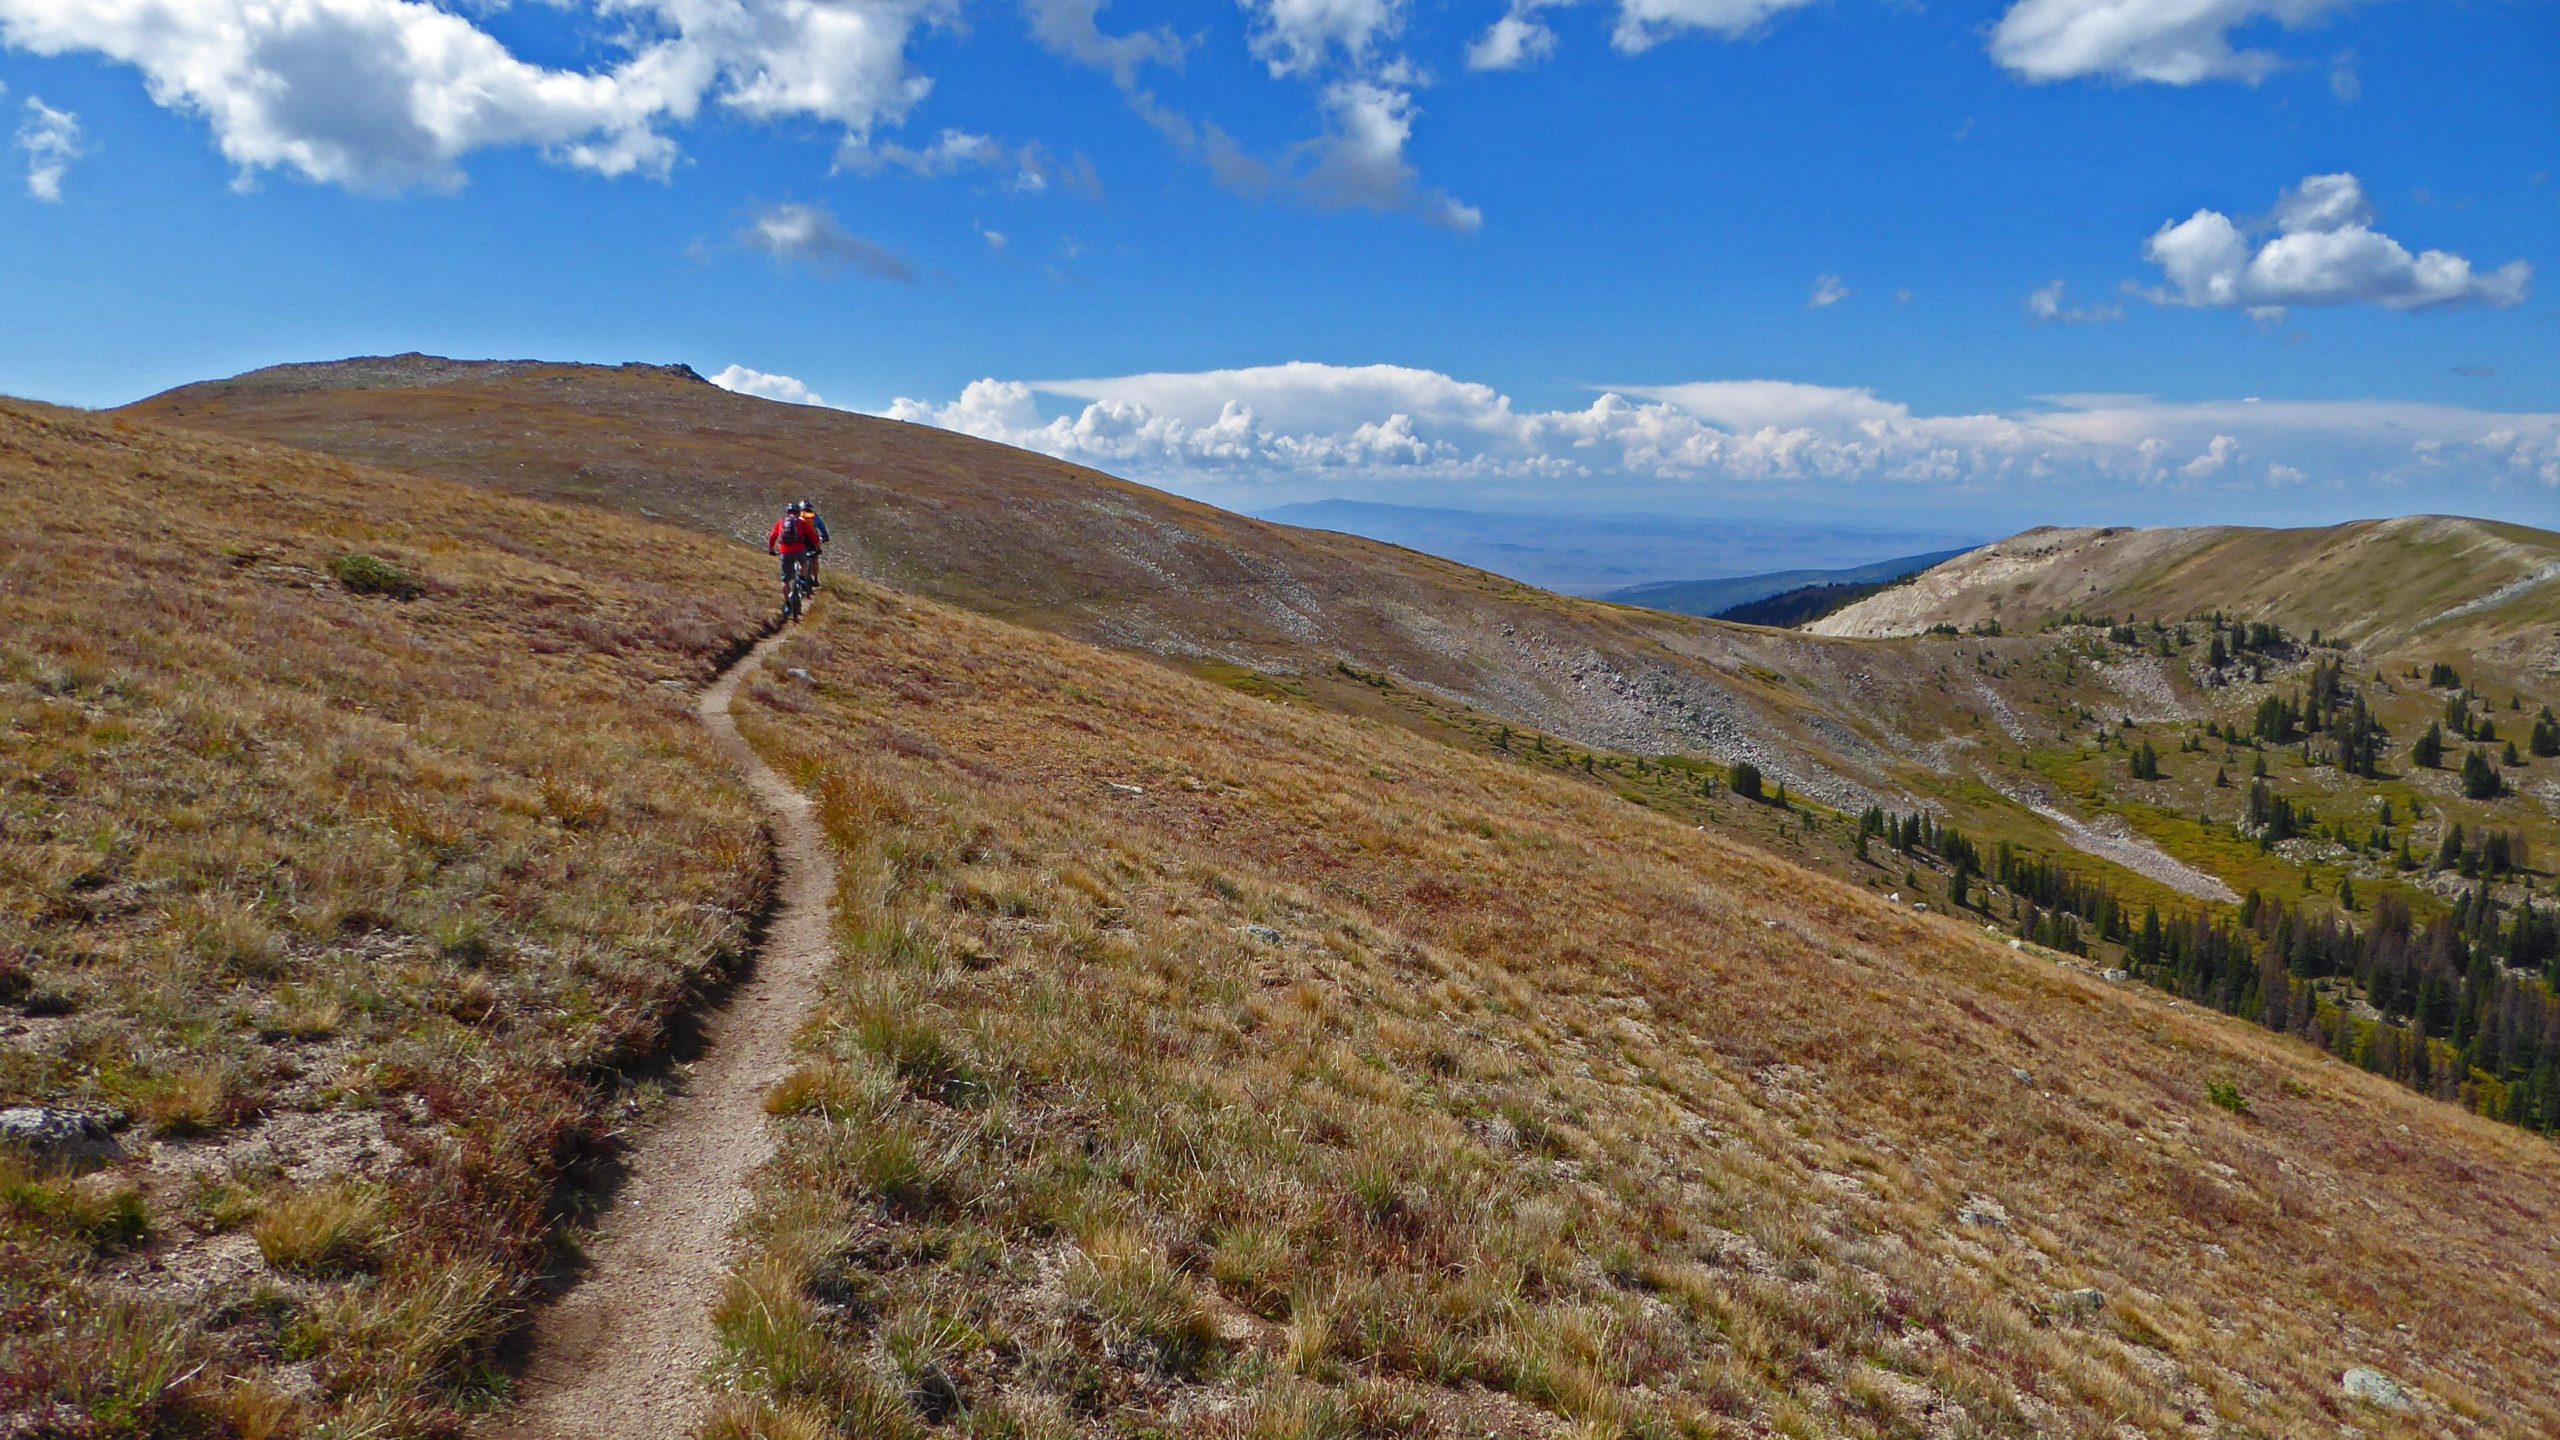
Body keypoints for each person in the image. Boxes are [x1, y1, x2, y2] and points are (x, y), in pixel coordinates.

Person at [767, 503, 822, 602]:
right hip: (799, 549)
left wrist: (771, 549)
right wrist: (817, 547)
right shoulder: (801, 522)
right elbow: (812, 535)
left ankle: (787, 603)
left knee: (786, 580)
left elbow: (772, 536)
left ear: (788, 512)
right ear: (798, 512)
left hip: (785, 551)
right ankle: (802, 578)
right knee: (804, 563)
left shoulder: (781, 522)